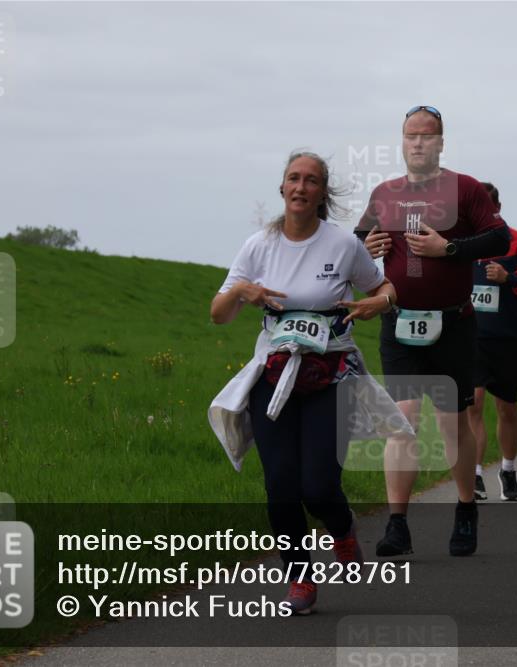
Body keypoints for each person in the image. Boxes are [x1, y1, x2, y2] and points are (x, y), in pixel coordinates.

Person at [208, 151, 407, 614]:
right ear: (282, 188)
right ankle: (300, 579)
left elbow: (384, 288)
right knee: (280, 485)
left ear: (323, 193)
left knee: (317, 487)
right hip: (274, 375)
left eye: (311, 181)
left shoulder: (341, 244)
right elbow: (218, 315)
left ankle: (342, 529)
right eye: (293, 179)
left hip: (331, 375)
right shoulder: (258, 245)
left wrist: (381, 303)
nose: (301, 187)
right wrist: (242, 291)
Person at [355, 105, 511, 556]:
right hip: (399, 322)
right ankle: (397, 523)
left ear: (441, 142)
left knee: (452, 423)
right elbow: (356, 240)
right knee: (401, 422)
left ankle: (465, 510)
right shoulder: (385, 192)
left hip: (454, 324)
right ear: (402, 142)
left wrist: (451, 248)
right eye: (410, 136)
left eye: (427, 135)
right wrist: (367, 244)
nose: (418, 143)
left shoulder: (464, 189)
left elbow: (498, 238)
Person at [466, 182, 517, 501]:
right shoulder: (461, 244)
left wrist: (509, 278)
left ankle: (508, 467)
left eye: (485, 207)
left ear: (497, 208)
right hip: (470, 337)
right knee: (473, 401)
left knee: (507, 408)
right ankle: (474, 474)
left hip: (508, 338)